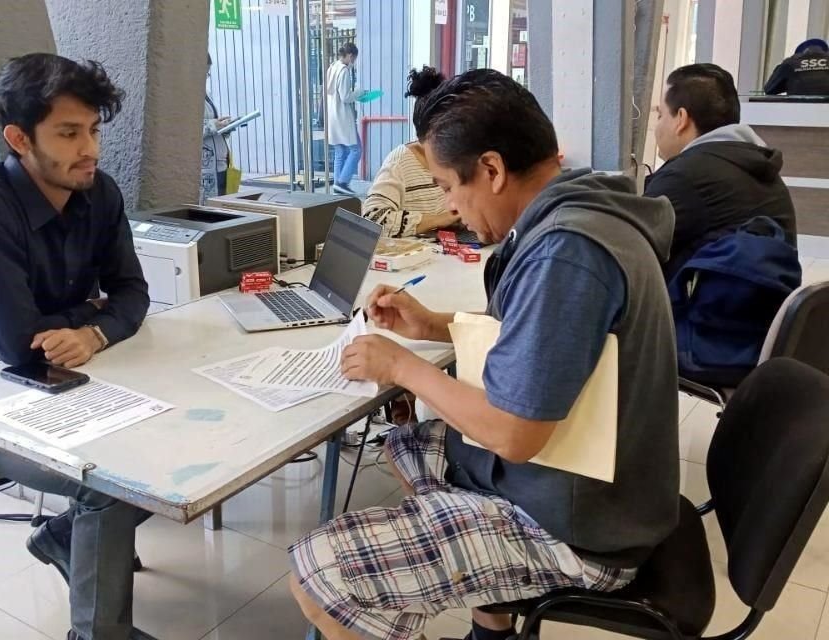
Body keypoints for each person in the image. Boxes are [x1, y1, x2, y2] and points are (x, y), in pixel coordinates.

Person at [289, 69, 680, 640]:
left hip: (585, 530)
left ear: (493, 170)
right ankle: (489, 626)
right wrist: (435, 325)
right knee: (412, 446)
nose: (451, 207)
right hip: (598, 488)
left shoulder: (567, 253)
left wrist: (402, 365)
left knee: (317, 575)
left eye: (449, 187)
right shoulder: (576, 212)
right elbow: (538, 338)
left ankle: (478, 587)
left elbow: (514, 434)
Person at [0, 53, 151, 640]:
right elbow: (20, 344)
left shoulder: (98, 193)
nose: (92, 150)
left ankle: (62, 536)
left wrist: (92, 329)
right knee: (110, 483)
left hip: (68, 384)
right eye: (70, 133)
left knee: (165, 450)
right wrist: (92, 311)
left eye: (94, 130)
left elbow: (133, 292)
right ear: (18, 138)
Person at [647, 63, 796, 279]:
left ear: (681, 119)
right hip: (754, 311)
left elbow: (625, 248)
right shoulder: (757, 163)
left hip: (695, 311)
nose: (657, 126)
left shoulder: (685, 177)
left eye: (660, 116)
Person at [363, 66, 460, 237]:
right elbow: (372, 220)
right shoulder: (399, 162)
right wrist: (440, 219)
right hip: (416, 259)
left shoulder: (458, 158)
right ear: (425, 131)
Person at [326, 42, 363, 195]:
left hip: (332, 116)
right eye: (353, 59)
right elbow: (346, 97)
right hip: (342, 116)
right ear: (350, 55)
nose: (353, 62)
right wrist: (359, 92)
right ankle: (342, 182)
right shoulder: (344, 71)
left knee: (339, 151)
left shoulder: (332, 67)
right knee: (356, 150)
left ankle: (337, 186)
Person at [201, 53, 233, 202]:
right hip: (205, 168)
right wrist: (213, 125)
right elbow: (184, 130)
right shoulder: (186, 96)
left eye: (208, 73)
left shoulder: (206, 94)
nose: (206, 77)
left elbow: (212, 123)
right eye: (204, 73)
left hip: (221, 164)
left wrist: (224, 126)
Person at [764, 38, 829, 96]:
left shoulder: (789, 63)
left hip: (797, 107)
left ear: (799, 53)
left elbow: (769, 90)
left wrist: (788, 84)